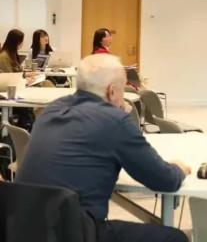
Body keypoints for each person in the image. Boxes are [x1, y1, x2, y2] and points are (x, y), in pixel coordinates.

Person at [15, 54, 191, 242]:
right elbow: (164, 180)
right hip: (72, 232)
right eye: (122, 89)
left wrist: (115, 115)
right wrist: (179, 168)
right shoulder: (115, 122)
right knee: (175, 238)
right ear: (112, 91)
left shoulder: (52, 110)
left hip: (23, 227)